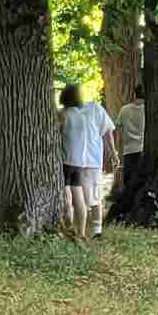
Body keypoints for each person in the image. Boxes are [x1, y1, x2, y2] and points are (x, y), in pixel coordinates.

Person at [59, 79, 115, 237]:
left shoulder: (66, 113)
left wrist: (113, 152)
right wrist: (113, 153)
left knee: (78, 196)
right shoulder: (84, 112)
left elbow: (107, 131)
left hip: (74, 160)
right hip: (81, 161)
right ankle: (82, 232)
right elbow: (108, 131)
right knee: (83, 198)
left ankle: (81, 228)